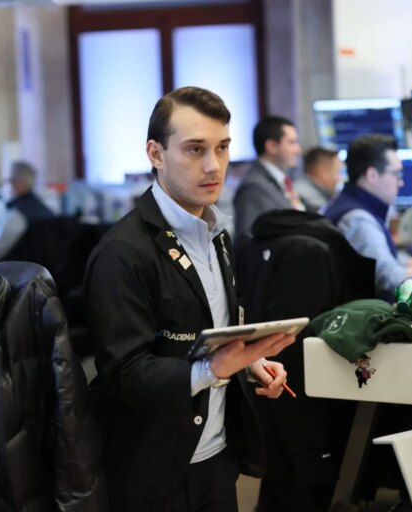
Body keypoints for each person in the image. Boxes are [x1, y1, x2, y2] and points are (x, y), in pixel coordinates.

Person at [84, 86, 296, 511]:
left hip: (215, 457)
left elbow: (209, 333)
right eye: (194, 149)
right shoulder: (122, 252)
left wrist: (249, 361)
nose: (213, 166)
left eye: (222, 148)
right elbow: (123, 374)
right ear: (155, 154)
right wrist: (214, 368)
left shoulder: (215, 233)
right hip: (151, 470)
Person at [324, 134, 412, 300]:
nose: (400, 183)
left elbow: (395, 260)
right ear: (372, 175)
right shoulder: (357, 219)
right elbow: (391, 280)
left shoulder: (350, 203)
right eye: (397, 174)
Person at [0, 161, 54, 269]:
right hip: (39, 278)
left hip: (10, 279)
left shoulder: (16, 217)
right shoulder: (48, 212)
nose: (3, 186)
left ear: (19, 184)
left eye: (6, 181)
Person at [233, 115, 303, 244]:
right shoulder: (253, 187)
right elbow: (247, 241)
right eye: (292, 143)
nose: (298, 150)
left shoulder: (281, 181)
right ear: (271, 146)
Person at [294, 146, 342, 213]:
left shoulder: (300, 187)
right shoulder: (313, 201)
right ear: (323, 173)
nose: (340, 178)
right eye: (338, 172)